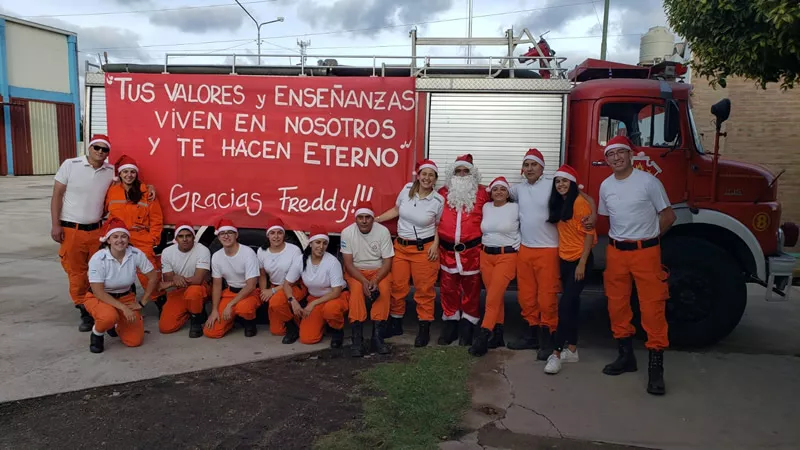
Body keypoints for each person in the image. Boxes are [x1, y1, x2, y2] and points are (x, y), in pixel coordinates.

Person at [598, 135, 675, 396]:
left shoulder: (648, 182)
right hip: (616, 252)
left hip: (646, 252)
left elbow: (668, 216)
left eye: (621, 152)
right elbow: (608, 219)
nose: (616, 158)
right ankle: (626, 357)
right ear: (606, 159)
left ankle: (656, 369)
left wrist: (650, 238)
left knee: (652, 307)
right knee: (616, 304)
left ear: (631, 155)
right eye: (611, 154)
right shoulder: (606, 186)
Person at [507, 148, 596, 361]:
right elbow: (495, 192)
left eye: (534, 165)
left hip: (548, 250)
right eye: (526, 165)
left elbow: (584, 197)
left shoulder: (553, 184)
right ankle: (531, 335)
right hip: (525, 249)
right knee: (526, 296)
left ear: (542, 168)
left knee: (546, 298)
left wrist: (593, 216)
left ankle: (549, 337)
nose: (529, 169)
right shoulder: (517, 189)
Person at [375, 158, 444, 347]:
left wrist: (435, 244)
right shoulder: (406, 190)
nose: (427, 178)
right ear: (418, 175)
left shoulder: (438, 200)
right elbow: (397, 210)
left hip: (424, 250)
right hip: (401, 248)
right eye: (424, 174)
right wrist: (377, 219)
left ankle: (424, 327)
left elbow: (439, 225)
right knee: (397, 287)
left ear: (435, 179)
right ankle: (396, 323)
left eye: (431, 175)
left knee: (424, 290)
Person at [51, 134, 116, 332]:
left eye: (105, 150)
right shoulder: (70, 165)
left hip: (96, 230)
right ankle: (85, 311)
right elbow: (57, 195)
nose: (100, 152)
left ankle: (99, 307)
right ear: (89, 148)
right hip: (72, 229)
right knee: (77, 273)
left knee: (98, 271)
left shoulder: (110, 171)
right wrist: (55, 224)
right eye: (97, 147)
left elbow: (127, 183)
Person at [543, 165, 597, 375]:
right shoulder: (562, 202)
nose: (561, 185)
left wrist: (582, 263)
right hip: (565, 261)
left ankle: (556, 354)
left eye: (565, 181)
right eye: (558, 182)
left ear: (572, 184)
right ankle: (572, 350)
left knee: (564, 306)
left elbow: (589, 235)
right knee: (571, 305)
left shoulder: (580, 203)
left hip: (579, 263)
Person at [437, 154, 490, 346]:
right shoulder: (442, 193)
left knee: (472, 290)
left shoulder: (484, 193)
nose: (461, 174)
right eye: (457, 171)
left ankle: (468, 326)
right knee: (448, 289)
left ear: (472, 173)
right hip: (447, 252)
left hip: (472, 252)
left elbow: (507, 198)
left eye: (465, 171)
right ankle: (450, 326)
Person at [84, 218, 158, 353]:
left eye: (124, 236)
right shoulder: (98, 258)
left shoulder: (136, 254)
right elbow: (98, 292)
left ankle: (116, 325)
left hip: (125, 296)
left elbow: (153, 277)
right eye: (115, 237)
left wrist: (142, 302)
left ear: (128, 239)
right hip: (99, 297)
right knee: (108, 317)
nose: (120, 240)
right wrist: (124, 308)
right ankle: (97, 333)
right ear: (108, 240)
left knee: (135, 341)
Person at [105, 155, 165, 311]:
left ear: (136, 174)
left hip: (141, 238)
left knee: (148, 274)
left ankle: (160, 301)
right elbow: (106, 212)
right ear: (120, 174)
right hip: (118, 237)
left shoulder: (146, 192)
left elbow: (156, 219)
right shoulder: (112, 191)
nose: (129, 175)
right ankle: (121, 303)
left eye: (132, 172)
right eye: (125, 172)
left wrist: (153, 239)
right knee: (116, 270)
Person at [469, 176, 519, 357]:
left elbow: (529, 224)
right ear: (491, 192)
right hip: (486, 255)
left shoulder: (515, 208)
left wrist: (520, 243)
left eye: (503, 189)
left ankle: (483, 336)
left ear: (508, 193)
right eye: (496, 189)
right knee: (494, 297)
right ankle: (498, 335)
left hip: (506, 256)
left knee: (491, 298)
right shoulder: (486, 207)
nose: (499, 192)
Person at [341, 201, 395, 356]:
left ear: (373, 219)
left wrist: (375, 280)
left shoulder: (383, 232)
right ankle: (357, 339)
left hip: (378, 271)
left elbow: (387, 261)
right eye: (360, 217)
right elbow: (348, 264)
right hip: (356, 272)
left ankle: (377, 337)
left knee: (384, 290)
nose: (364, 221)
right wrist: (365, 282)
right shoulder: (347, 232)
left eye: (367, 217)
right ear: (356, 219)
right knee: (357, 292)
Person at [203, 218, 261, 338]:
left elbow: (251, 285)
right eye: (222, 233)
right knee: (211, 332)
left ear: (236, 234)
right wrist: (214, 310)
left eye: (230, 232)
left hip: (249, 292)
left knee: (243, 308)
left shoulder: (248, 253)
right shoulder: (216, 256)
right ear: (218, 237)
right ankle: (231, 321)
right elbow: (217, 285)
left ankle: (249, 322)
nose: (226, 236)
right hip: (230, 292)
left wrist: (230, 305)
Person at [297, 225, 350, 347]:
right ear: (310, 243)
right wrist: (292, 300)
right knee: (307, 338)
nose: (321, 247)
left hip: (335, 297)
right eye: (318, 242)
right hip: (316, 298)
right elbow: (287, 283)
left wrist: (313, 304)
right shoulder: (301, 260)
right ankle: (323, 323)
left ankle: (337, 329)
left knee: (331, 310)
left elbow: (336, 291)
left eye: (325, 243)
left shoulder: (332, 262)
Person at [157, 220, 211, 338]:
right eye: (181, 236)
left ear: (193, 236)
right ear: (176, 238)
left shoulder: (203, 250)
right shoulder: (167, 252)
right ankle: (190, 310)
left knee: (194, 290)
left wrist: (173, 281)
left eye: (188, 236)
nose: (185, 239)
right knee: (165, 327)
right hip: (178, 291)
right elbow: (167, 277)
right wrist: (173, 279)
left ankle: (196, 320)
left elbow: (198, 280)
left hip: (198, 288)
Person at [256, 218, 307, 344]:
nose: (276, 236)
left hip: (294, 285)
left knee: (276, 302)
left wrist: (272, 291)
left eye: (280, 232)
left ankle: (292, 328)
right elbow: (262, 275)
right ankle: (294, 316)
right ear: (268, 235)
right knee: (277, 331)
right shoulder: (261, 251)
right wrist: (264, 291)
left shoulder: (294, 250)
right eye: (272, 233)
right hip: (275, 287)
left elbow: (293, 279)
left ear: (284, 234)